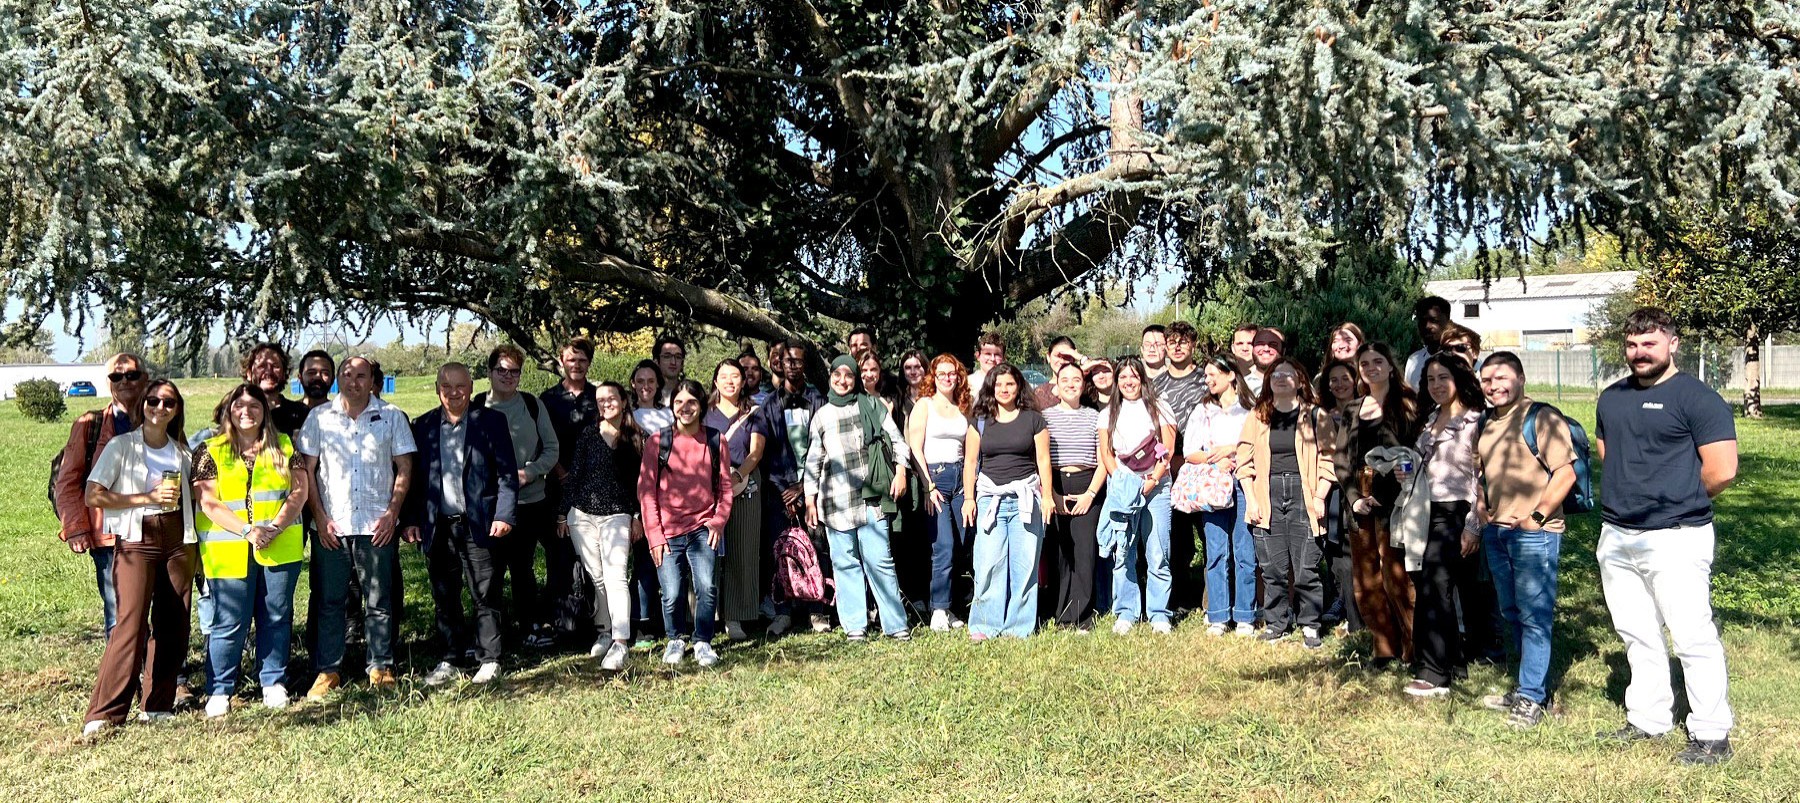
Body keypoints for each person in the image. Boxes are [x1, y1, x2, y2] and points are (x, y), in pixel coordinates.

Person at [1593, 308, 1738, 765]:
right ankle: (1649, 718)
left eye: (1650, 343)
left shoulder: (1698, 399)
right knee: (1637, 632)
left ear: (1673, 344)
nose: (1640, 353)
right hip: (1617, 534)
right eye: (1632, 345)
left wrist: (1677, 498)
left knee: (1692, 636)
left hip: (1676, 536)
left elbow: (1722, 470)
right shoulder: (1611, 398)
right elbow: (1608, 454)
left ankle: (1712, 734)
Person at [79, 380, 198, 736]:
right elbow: (93, 495)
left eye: (168, 402)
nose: (160, 407)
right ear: (142, 404)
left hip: (178, 539)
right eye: (153, 401)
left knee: (173, 622)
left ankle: (157, 704)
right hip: (136, 538)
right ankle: (105, 712)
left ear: (176, 410)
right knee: (130, 625)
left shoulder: (183, 452)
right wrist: (145, 498)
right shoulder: (122, 446)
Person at [297, 356, 416, 697]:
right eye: (347, 375)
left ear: (371, 379)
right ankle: (328, 670)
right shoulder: (319, 418)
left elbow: (404, 467)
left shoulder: (391, 416)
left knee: (379, 599)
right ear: (339, 379)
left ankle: (381, 665)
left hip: (376, 524)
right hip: (332, 526)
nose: (354, 382)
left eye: (361, 376)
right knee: (329, 601)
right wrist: (319, 517)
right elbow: (307, 471)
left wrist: (393, 513)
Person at [193, 383, 309, 717]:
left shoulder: (284, 445)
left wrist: (275, 527)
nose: (247, 412)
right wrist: (247, 531)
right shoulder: (209, 449)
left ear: (265, 411)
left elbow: (299, 492)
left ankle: (273, 681)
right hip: (228, 550)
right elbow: (208, 501)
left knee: (276, 617)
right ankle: (220, 688)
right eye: (239, 406)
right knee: (229, 621)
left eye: (254, 406)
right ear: (229, 411)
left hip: (278, 546)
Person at [1475, 351, 1577, 729]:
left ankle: (1532, 697)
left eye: (1502, 377)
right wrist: (1482, 507)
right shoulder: (1487, 422)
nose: (1494, 386)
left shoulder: (1542, 417)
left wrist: (1537, 517)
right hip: (1497, 532)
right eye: (1487, 380)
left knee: (1535, 617)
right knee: (1512, 613)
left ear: (1520, 378)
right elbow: (1481, 472)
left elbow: (1565, 474)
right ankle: (1527, 687)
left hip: (1535, 534)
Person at [407, 363, 519, 686]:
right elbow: (415, 480)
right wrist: (412, 520)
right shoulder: (423, 425)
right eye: (447, 386)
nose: (454, 393)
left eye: (460, 386)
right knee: (445, 595)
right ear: (437, 389)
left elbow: (507, 475)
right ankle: (450, 658)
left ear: (471, 387)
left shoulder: (491, 421)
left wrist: (504, 514)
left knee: (485, 592)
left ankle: (489, 658)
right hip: (438, 525)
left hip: (479, 522)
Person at [806, 356, 913, 642]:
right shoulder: (822, 415)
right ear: (830, 377)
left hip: (872, 497)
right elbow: (813, 461)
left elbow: (899, 442)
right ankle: (855, 625)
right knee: (845, 563)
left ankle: (896, 625)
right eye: (837, 375)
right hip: (835, 501)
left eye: (849, 376)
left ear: (855, 379)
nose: (843, 381)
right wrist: (809, 499)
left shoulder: (872, 406)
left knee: (880, 561)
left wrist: (901, 472)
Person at [1235, 357, 1335, 650]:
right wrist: (1251, 499)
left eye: (1287, 374)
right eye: (1275, 374)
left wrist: (1320, 496)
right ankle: (1276, 623)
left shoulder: (1316, 415)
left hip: (1305, 493)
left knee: (1306, 567)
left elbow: (1329, 459)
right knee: (1272, 567)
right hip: (1268, 493)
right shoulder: (1258, 416)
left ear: (1300, 381)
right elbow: (1244, 462)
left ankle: (1310, 624)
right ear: (1268, 381)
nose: (1280, 378)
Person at [1403, 354, 1486, 697]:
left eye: (1443, 377)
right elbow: (1420, 465)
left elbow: (1482, 477)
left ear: (1459, 379)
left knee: (1435, 586)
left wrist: (1473, 525)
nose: (1436, 385)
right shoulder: (1430, 418)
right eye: (1430, 379)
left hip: (1456, 512)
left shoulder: (1475, 421)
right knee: (1431, 585)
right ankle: (1452, 661)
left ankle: (1434, 674)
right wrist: (1405, 472)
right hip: (1424, 510)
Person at [638, 380, 734, 667]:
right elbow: (646, 492)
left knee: (706, 587)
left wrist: (718, 521)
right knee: (672, 593)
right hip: (667, 531)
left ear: (701, 406)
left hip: (703, 528)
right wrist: (654, 535)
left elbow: (725, 488)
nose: (685, 408)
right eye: (679, 402)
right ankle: (676, 639)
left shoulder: (716, 440)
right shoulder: (658, 442)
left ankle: (703, 640)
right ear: (672, 407)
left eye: (691, 402)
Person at [54, 352, 148, 638]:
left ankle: (160, 667)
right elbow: (68, 481)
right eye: (116, 376)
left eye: (132, 375)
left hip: (154, 532)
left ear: (145, 379)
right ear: (108, 383)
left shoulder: (161, 417)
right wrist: (75, 528)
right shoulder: (90, 425)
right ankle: (121, 667)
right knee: (119, 614)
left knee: (159, 611)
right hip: (110, 538)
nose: (124, 381)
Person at [479, 345, 564, 649]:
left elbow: (551, 449)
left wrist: (530, 472)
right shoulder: (476, 407)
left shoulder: (531, 405)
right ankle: (491, 633)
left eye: (514, 371)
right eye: (501, 370)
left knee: (522, 568)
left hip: (530, 502)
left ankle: (529, 626)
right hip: (489, 504)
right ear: (490, 372)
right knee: (489, 571)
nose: (507, 376)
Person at [960, 363, 1052, 640]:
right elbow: (970, 462)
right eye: (998, 384)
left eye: (1010, 384)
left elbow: (1043, 460)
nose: (1004, 389)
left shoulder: (1034, 420)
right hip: (990, 499)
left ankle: (1018, 628)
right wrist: (969, 498)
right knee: (988, 564)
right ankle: (984, 625)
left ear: (1018, 386)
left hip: (1025, 499)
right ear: (991, 387)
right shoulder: (979, 421)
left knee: (1025, 566)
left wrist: (1048, 497)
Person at [558, 382, 643, 671]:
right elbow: (575, 476)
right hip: (583, 516)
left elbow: (641, 483)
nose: (605, 403)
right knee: (597, 577)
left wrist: (637, 516)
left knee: (616, 575)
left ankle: (621, 641)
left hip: (617, 516)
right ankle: (604, 631)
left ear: (624, 401)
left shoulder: (636, 437)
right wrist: (562, 513)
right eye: (600, 400)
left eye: (611, 398)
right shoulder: (589, 434)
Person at [1348, 342, 1418, 669]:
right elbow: (1341, 459)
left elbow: (1414, 452)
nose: (1371, 368)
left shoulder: (1407, 404)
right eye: (1364, 363)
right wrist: (1355, 498)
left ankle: (1413, 648)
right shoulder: (1353, 409)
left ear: (1391, 366)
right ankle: (1383, 647)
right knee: (1367, 579)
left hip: (1396, 499)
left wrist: (1386, 491)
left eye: (1378, 361)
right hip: (1359, 499)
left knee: (1397, 576)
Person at [1097, 357, 1177, 634]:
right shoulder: (1108, 412)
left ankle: (1159, 614)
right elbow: (1106, 453)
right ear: (1116, 381)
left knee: (1158, 552)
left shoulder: (1160, 407)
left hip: (1157, 488)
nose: (1128, 382)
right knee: (1123, 552)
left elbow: (1168, 450)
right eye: (1123, 377)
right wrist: (1122, 483)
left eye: (1133, 376)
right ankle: (1126, 612)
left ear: (1142, 379)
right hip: (1123, 489)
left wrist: (1152, 480)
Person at [1184, 355, 1258, 637]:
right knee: (1215, 551)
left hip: (1245, 484)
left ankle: (1245, 615)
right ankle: (1218, 615)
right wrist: (1215, 460)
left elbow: (1259, 445)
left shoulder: (1250, 410)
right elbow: (1190, 452)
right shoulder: (1202, 410)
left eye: (1213, 374)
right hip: (1213, 486)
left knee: (1245, 551)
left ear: (1231, 375)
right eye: (1206, 375)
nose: (1208, 380)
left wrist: (1232, 449)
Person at [540, 338, 603, 648]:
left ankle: (595, 621)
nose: (576, 365)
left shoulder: (598, 397)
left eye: (582, 360)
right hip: (558, 486)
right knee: (561, 555)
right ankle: (564, 623)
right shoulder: (548, 399)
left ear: (589, 363)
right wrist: (562, 474)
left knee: (593, 554)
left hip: (594, 488)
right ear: (561, 361)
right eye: (571, 359)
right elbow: (542, 442)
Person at [907, 354, 973, 631]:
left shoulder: (963, 406)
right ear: (933, 377)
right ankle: (938, 608)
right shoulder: (924, 405)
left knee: (961, 544)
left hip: (960, 478)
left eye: (952, 373)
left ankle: (952, 607)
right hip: (935, 478)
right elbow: (914, 447)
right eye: (942, 374)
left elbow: (970, 448)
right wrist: (927, 486)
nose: (947, 378)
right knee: (942, 545)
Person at [707, 359, 769, 641]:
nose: (730, 381)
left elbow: (756, 452)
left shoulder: (754, 412)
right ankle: (706, 615)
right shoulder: (705, 412)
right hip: (708, 487)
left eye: (735, 376)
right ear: (715, 381)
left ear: (744, 381)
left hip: (745, 485)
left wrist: (738, 475)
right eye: (724, 376)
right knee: (707, 551)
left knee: (742, 550)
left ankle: (736, 616)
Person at [1041, 362, 1104, 631]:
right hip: (1054, 484)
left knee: (1084, 552)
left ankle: (1081, 615)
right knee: (1060, 552)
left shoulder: (1094, 417)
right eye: (1064, 379)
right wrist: (1051, 494)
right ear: (1056, 384)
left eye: (1076, 379)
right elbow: (1040, 458)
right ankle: (1060, 613)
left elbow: (1103, 461)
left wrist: (1090, 494)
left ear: (1083, 384)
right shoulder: (1044, 417)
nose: (1070, 384)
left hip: (1087, 484)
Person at [773, 340, 829, 634]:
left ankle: (818, 610)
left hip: (813, 488)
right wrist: (786, 490)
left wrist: (804, 486)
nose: (793, 366)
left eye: (798, 361)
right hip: (781, 491)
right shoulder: (771, 404)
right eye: (788, 361)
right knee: (782, 550)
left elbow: (825, 446)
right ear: (780, 364)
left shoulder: (818, 400)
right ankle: (783, 612)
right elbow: (765, 452)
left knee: (817, 549)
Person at [1154, 322, 1208, 613]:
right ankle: (1179, 599)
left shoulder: (1206, 380)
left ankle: (1211, 600)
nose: (1177, 347)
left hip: (1204, 469)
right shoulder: (1156, 385)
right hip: (1170, 469)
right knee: (1176, 538)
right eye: (1172, 342)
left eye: (1183, 341)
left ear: (1193, 345)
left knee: (1209, 536)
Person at [1316, 359, 1364, 634]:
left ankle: (1364, 613)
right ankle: (1346, 608)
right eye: (1333, 379)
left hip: (1360, 490)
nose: (1340, 384)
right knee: (1338, 555)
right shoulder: (1323, 415)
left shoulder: (1367, 411)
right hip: (1331, 491)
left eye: (1345, 378)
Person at [1404, 296, 1452, 388]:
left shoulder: (1462, 359)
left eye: (1433, 320)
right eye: (1422, 321)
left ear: (1448, 322)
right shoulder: (1413, 360)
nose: (1427, 326)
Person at [1034, 336, 1085, 409]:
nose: (1062, 361)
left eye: (1067, 356)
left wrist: (1081, 357)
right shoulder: (1038, 394)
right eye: (1058, 356)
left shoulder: (1081, 387)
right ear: (1048, 357)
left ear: (1074, 358)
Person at [629, 359, 674, 435]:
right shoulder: (627, 416)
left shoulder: (669, 414)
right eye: (640, 381)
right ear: (633, 383)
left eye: (651, 381)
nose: (646, 386)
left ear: (658, 383)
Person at [967, 331, 1006, 396]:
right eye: (988, 354)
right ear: (978, 356)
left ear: (1004, 358)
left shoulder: (1011, 384)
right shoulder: (967, 384)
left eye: (997, 354)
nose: (992, 359)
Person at [653, 335, 688, 405]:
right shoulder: (647, 394)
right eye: (667, 357)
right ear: (656, 362)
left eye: (678, 357)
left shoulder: (689, 393)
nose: (673, 362)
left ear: (682, 363)